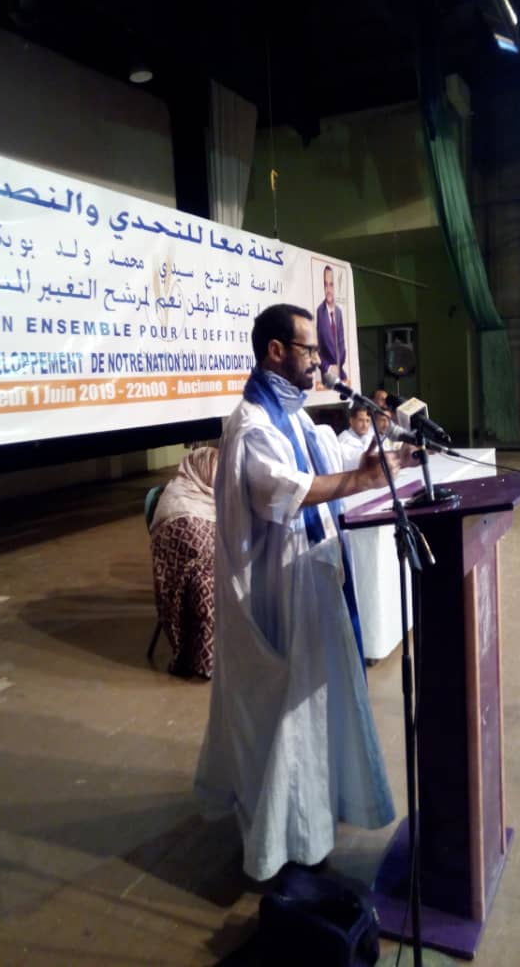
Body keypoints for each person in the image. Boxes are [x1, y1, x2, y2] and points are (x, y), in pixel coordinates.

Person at [195, 303, 415, 882]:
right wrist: (362, 477)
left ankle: (316, 818)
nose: (319, 359)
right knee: (291, 723)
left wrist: (373, 456)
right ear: (275, 351)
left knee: (319, 713)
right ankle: (283, 845)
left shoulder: (293, 416)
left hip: (315, 580)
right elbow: (283, 491)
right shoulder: (252, 425)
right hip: (282, 593)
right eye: (309, 349)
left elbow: (328, 458)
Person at [149, 446, 218, 679]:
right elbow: (195, 548)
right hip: (183, 575)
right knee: (209, 586)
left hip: (212, 563)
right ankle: (204, 661)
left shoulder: (207, 495)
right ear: (201, 470)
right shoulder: (179, 501)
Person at [316, 264, 347, 379]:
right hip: (327, 375)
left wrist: (338, 367)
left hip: (340, 373)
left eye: (331, 285)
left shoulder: (339, 312)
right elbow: (316, 349)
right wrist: (328, 367)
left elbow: (341, 345)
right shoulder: (319, 312)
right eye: (325, 285)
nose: (328, 290)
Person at [337, 403, 373, 471]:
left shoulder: (370, 436)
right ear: (351, 421)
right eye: (361, 420)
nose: (365, 425)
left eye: (367, 421)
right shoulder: (343, 440)